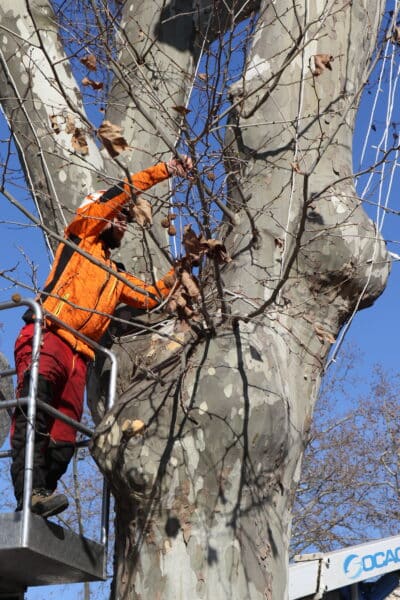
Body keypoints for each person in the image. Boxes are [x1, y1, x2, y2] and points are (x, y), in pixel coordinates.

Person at [11, 155, 193, 518]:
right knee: (35, 409)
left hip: (81, 357)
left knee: (64, 433)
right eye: (120, 218)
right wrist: (164, 170)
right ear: (103, 214)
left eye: (126, 221)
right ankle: (28, 492)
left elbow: (150, 297)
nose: (124, 225)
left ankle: (43, 491)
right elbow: (119, 192)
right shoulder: (81, 236)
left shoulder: (115, 273)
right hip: (49, 334)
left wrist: (183, 269)